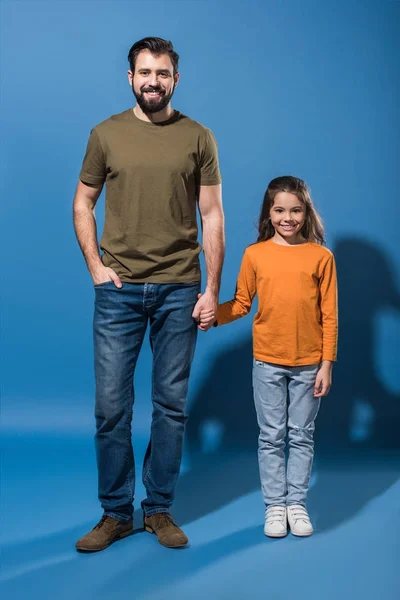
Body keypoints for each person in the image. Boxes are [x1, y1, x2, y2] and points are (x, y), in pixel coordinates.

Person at [73, 37, 224, 551]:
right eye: (144, 72)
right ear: (130, 77)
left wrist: (211, 289)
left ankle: (158, 509)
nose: (152, 81)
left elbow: (211, 215)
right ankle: (115, 513)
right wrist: (95, 265)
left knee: (171, 406)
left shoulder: (198, 136)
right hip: (118, 292)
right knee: (112, 408)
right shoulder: (105, 134)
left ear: (175, 79)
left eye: (162, 73)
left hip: (180, 288)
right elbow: (82, 203)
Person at [209, 176, 337, 537]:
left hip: (310, 363)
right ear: (269, 212)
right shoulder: (255, 255)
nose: (288, 217)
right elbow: (241, 303)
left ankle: (297, 504)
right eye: (280, 210)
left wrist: (327, 364)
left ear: (306, 212)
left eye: (296, 210)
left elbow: (330, 315)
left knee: (301, 434)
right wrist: (211, 314)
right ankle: (275, 508)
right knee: (271, 435)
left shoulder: (321, 257)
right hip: (267, 361)